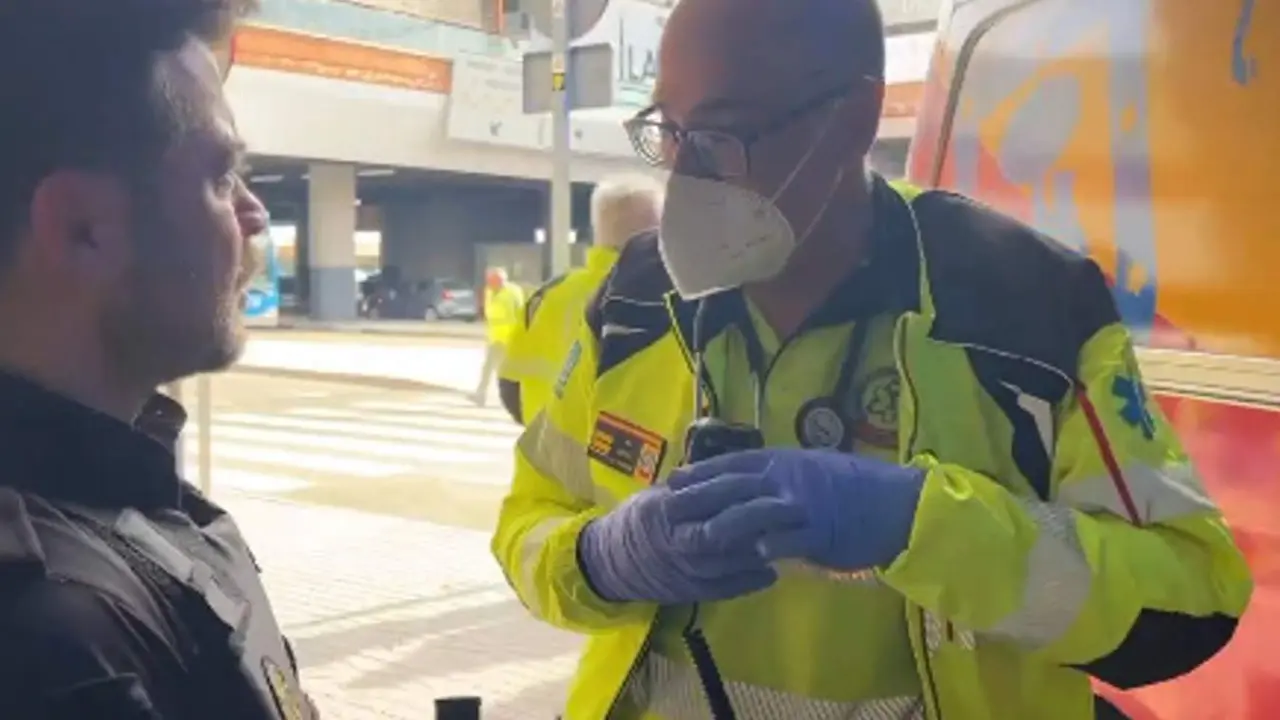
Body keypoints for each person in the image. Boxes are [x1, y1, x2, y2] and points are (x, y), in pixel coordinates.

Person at [490, 0, 1253, 717]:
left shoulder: (1025, 307)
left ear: (851, 119)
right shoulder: (632, 305)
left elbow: (1188, 603)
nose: (683, 175)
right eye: (669, 131)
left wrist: (922, 524)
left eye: (722, 135)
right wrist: (602, 557)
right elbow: (527, 524)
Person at [0, 0, 316, 718]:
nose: (254, 214)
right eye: (219, 174)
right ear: (83, 228)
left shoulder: (127, 497)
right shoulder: (49, 647)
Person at [498, 174, 664, 425]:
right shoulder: (663, 301)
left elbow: (510, 391)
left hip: (541, 461)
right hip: (611, 464)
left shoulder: (546, 297)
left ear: (597, 229)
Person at [474, 267, 526, 406]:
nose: (490, 283)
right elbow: (488, 313)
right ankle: (481, 395)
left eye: (493, 281)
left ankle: (516, 397)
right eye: (489, 281)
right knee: (488, 367)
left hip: (509, 338)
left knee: (507, 371)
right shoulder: (488, 291)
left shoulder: (513, 291)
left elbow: (521, 313)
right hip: (494, 338)